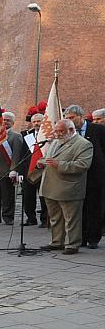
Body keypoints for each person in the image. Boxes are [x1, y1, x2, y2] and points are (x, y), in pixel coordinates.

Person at [32, 119, 93, 255]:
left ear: (71, 130)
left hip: (69, 188)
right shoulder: (56, 142)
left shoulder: (83, 144)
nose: (57, 134)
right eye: (56, 131)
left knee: (71, 219)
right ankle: (56, 242)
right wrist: (41, 163)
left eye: (61, 131)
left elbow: (82, 165)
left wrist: (59, 164)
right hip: (51, 186)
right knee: (55, 218)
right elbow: (48, 158)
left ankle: (72, 244)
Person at [63, 104, 105, 248]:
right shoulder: (68, 132)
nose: (69, 120)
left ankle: (93, 238)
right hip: (76, 176)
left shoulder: (98, 129)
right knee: (78, 208)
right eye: (67, 118)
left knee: (94, 206)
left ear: (81, 116)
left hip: (95, 176)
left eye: (72, 117)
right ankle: (80, 237)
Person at [0, 111, 24, 225]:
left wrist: (14, 170)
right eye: (4, 120)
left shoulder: (16, 136)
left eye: (8, 120)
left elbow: (16, 154)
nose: (5, 122)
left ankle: (8, 217)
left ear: (12, 123)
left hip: (6, 170)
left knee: (7, 195)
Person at [21, 112, 48, 227]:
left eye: (39, 121)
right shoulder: (27, 135)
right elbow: (22, 153)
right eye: (34, 121)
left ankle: (45, 219)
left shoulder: (48, 135)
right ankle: (31, 218)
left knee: (43, 196)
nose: (37, 123)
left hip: (43, 169)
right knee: (27, 195)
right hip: (29, 169)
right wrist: (20, 172)